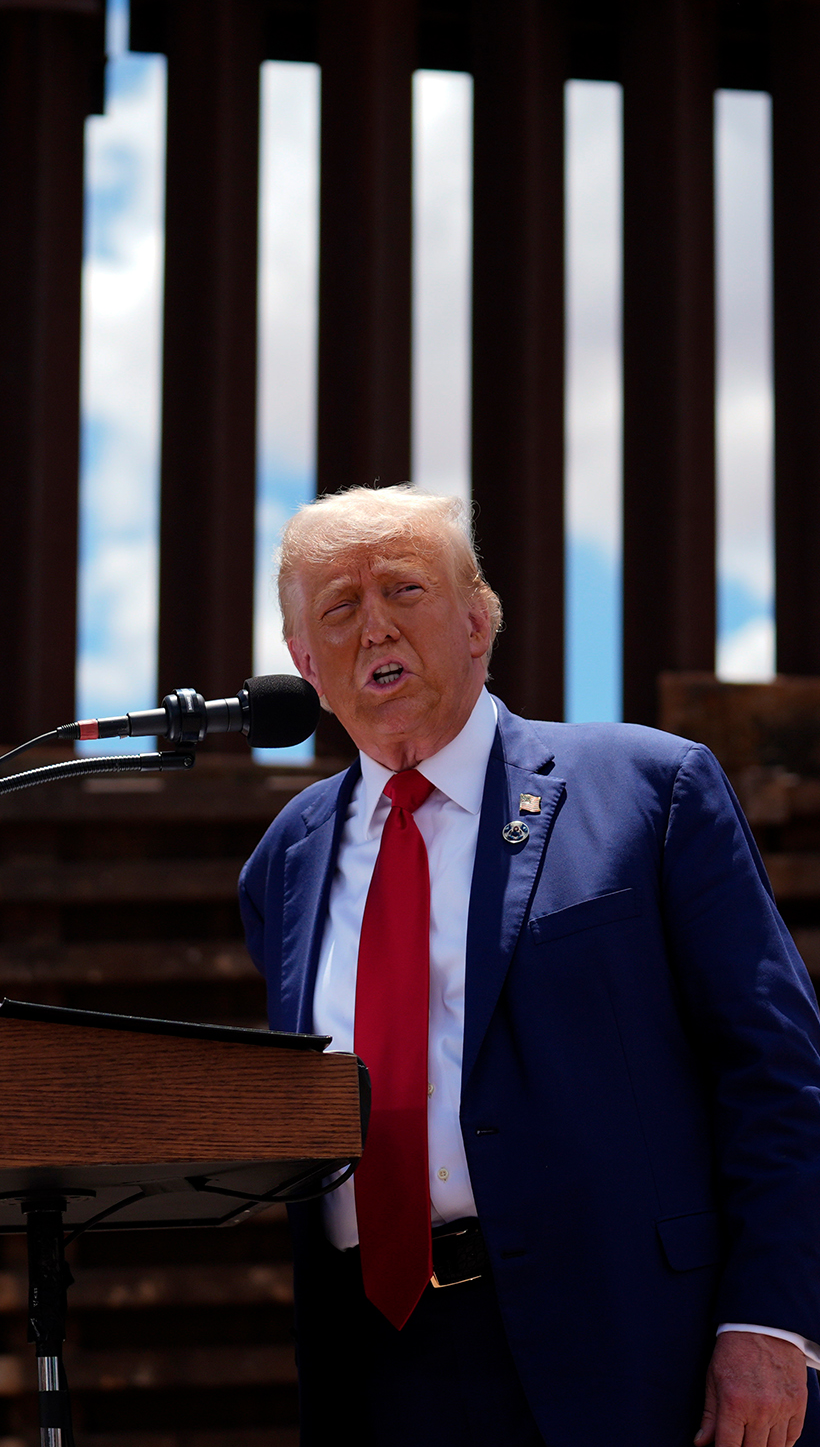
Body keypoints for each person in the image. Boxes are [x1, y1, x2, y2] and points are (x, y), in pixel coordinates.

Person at [239, 484, 820, 1447]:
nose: (375, 626)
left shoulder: (649, 791)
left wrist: (769, 1320)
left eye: (405, 590)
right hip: (381, 1364)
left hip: (634, 1346)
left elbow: (777, 1073)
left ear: (478, 622)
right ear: (306, 665)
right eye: (339, 608)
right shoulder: (285, 861)